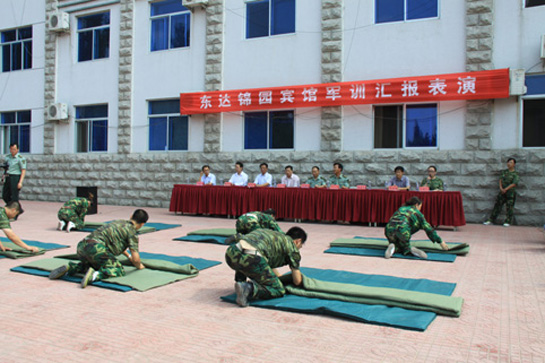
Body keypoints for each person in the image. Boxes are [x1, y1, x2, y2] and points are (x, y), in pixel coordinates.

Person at [48, 209, 149, 288]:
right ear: (142, 224)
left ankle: (70, 269)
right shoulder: (132, 233)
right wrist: (139, 266)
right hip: (97, 249)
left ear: (131, 216)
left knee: (93, 263)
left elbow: (115, 242)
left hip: (82, 246)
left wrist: (128, 255)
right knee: (118, 269)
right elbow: (136, 259)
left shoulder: (118, 222)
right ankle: (95, 275)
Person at [225, 226, 307, 307]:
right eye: (301, 245)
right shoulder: (292, 248)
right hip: (252, 258)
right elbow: (297, 281)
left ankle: (240, 282)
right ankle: (248, 288)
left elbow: (268, 263)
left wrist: (277, 278)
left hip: (231, 253)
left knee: (246, 258)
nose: (300, 248)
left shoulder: (273, 234)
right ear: (298, 241)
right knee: (278, 289)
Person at [384, 196, 449, 259]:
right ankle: (410, 249)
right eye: (420, 206)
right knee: (405, 248)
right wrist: (440, 241)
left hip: (388, 230)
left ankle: (393, 247)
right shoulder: (417, 213)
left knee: (397, 241)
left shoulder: (401, 208)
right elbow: (428, 228)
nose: (420, 209)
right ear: (417, 205)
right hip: (403, 231)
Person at [484, 158, 519, 227]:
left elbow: (514, 183)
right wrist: (501, 188)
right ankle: (491, 220)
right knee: (497, 206)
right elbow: (500, 179)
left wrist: (506, 189)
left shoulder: (515, 174)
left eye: (511, 162)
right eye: (508, 162)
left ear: (514, 164)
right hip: (502, 192)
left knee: (509, 207)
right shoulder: (504, 172)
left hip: (510, 193)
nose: (509, 164)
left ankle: (508, 221)